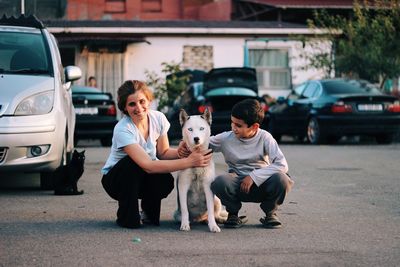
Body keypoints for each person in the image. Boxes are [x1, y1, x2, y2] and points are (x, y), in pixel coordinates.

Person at [101, 80, 212, 229]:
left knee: (164, 180)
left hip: (140, 175)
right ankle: (126, 215)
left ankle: (148, 212)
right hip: (117, 180)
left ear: (149, 101)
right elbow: (148, 166)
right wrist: (190, 162)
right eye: (132, 104)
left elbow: (163, 153)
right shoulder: (123, 129)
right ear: (124, 108)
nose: (139, 108)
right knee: (133, 164)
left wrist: (182, 152)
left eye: (142, 101)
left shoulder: (158, 118)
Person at [181, 99, 293, 229]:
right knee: (219, 182)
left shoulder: (265, 137)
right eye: (232, 123)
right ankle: (233, 214)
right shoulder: (225, 138)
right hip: (237, 184)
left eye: (238, 125)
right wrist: (184, 143)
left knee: (282, 179)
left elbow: (282, 164)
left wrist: (253, 177)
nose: (234, 128)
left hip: (261, 183)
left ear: (254, 126)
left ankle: (270, 213)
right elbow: (201, 143)